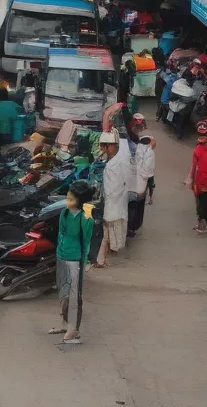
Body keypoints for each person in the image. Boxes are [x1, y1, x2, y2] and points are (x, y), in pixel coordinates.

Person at [51, 180, 94, 345]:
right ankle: (65, 324)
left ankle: (73, 330)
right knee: (63, 292)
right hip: (61, 255)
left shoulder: (86, 218)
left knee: (74, 296)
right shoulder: (65, 213)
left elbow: (87, 241)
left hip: (75, 258)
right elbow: (61, 233)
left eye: (71, 199)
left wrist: (84, 261)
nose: (67, 201)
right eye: (67, 197)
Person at [95, 131, 129, 267]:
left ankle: (100, 259)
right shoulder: (112, 162)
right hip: (113, 203)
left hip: (113, 203)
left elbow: (114, 188)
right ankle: (101, 259)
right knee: (107, 234)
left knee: (106, 233)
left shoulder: (115, 163)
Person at [128, 134, 156, 237]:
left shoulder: (134, 149)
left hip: (130, 186)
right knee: (137, 208)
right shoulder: (150, 153)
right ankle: (132, 227)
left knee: (130, 206)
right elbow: (149, 175)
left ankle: (128, 227)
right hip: (141, 188)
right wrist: (151, 194)